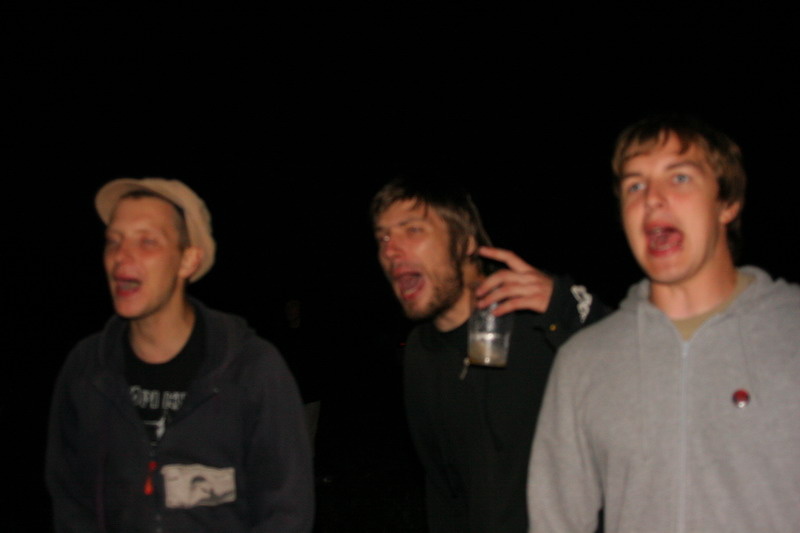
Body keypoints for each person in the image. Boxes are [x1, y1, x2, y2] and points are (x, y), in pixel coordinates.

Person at [527, 116, 800, 532]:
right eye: (635, 186)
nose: (652, 199)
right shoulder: (583, 362)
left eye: (680, 178)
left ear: (727, 202)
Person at [46, 178, 314, 532]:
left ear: (188, 260)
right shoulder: (87, 369)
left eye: (147, 242)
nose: (121, 257)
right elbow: (69, 499)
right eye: (113, 241)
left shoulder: (250, 369)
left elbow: (287, 511)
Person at [370, 176, 608, 533]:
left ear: (465, 242)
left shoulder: (538, 321)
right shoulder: (421, 352)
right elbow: (446, 488)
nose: (390, 250)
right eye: (383, 238)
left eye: (412, 230)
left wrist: (567, 307)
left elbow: (646, 375)